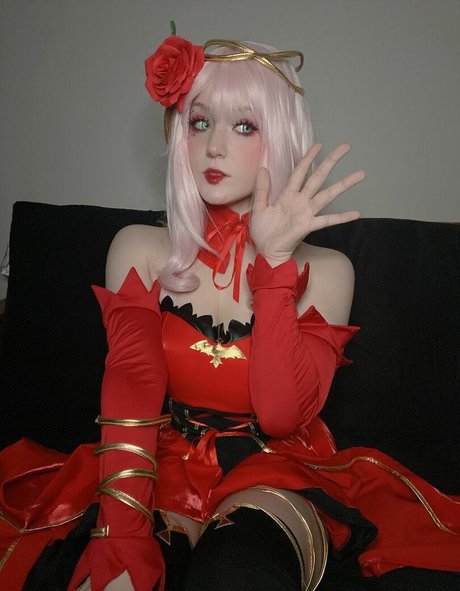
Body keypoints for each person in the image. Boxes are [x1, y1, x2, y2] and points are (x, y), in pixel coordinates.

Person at [20, 34, 460, 591]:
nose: (215, 147)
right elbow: (132, 382)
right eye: (200, 122)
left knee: (236, 573)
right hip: (161, 462)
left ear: (280, 138)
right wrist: (121, 536)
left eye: (245, 126)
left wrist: (274, 265)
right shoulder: (138, 248)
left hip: (276, 469)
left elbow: (279, 415)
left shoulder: (329, 270)